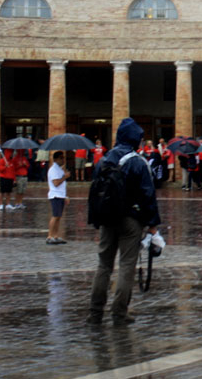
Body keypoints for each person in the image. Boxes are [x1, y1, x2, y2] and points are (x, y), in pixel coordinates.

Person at [87, 117, 161, 326]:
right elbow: (149, 196)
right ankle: (119, 313)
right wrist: (153, 226)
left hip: (107, 218)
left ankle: (95, 312)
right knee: (127, 265)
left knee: (104, 265)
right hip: (131, 220)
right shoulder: (138, 162)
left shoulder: (103, 161)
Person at [46, 151, 70, 245]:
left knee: (59, 217)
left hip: (60, 195)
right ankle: (50, 236)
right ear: (55, 159)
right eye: (61, 158)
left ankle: (55, 235)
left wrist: (65, 196)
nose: (63, 159)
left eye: (63, 157)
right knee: (55, 216)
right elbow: (56, 183)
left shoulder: (59, 169)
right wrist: (65, 177)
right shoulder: (53, 170)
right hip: (55, 195)